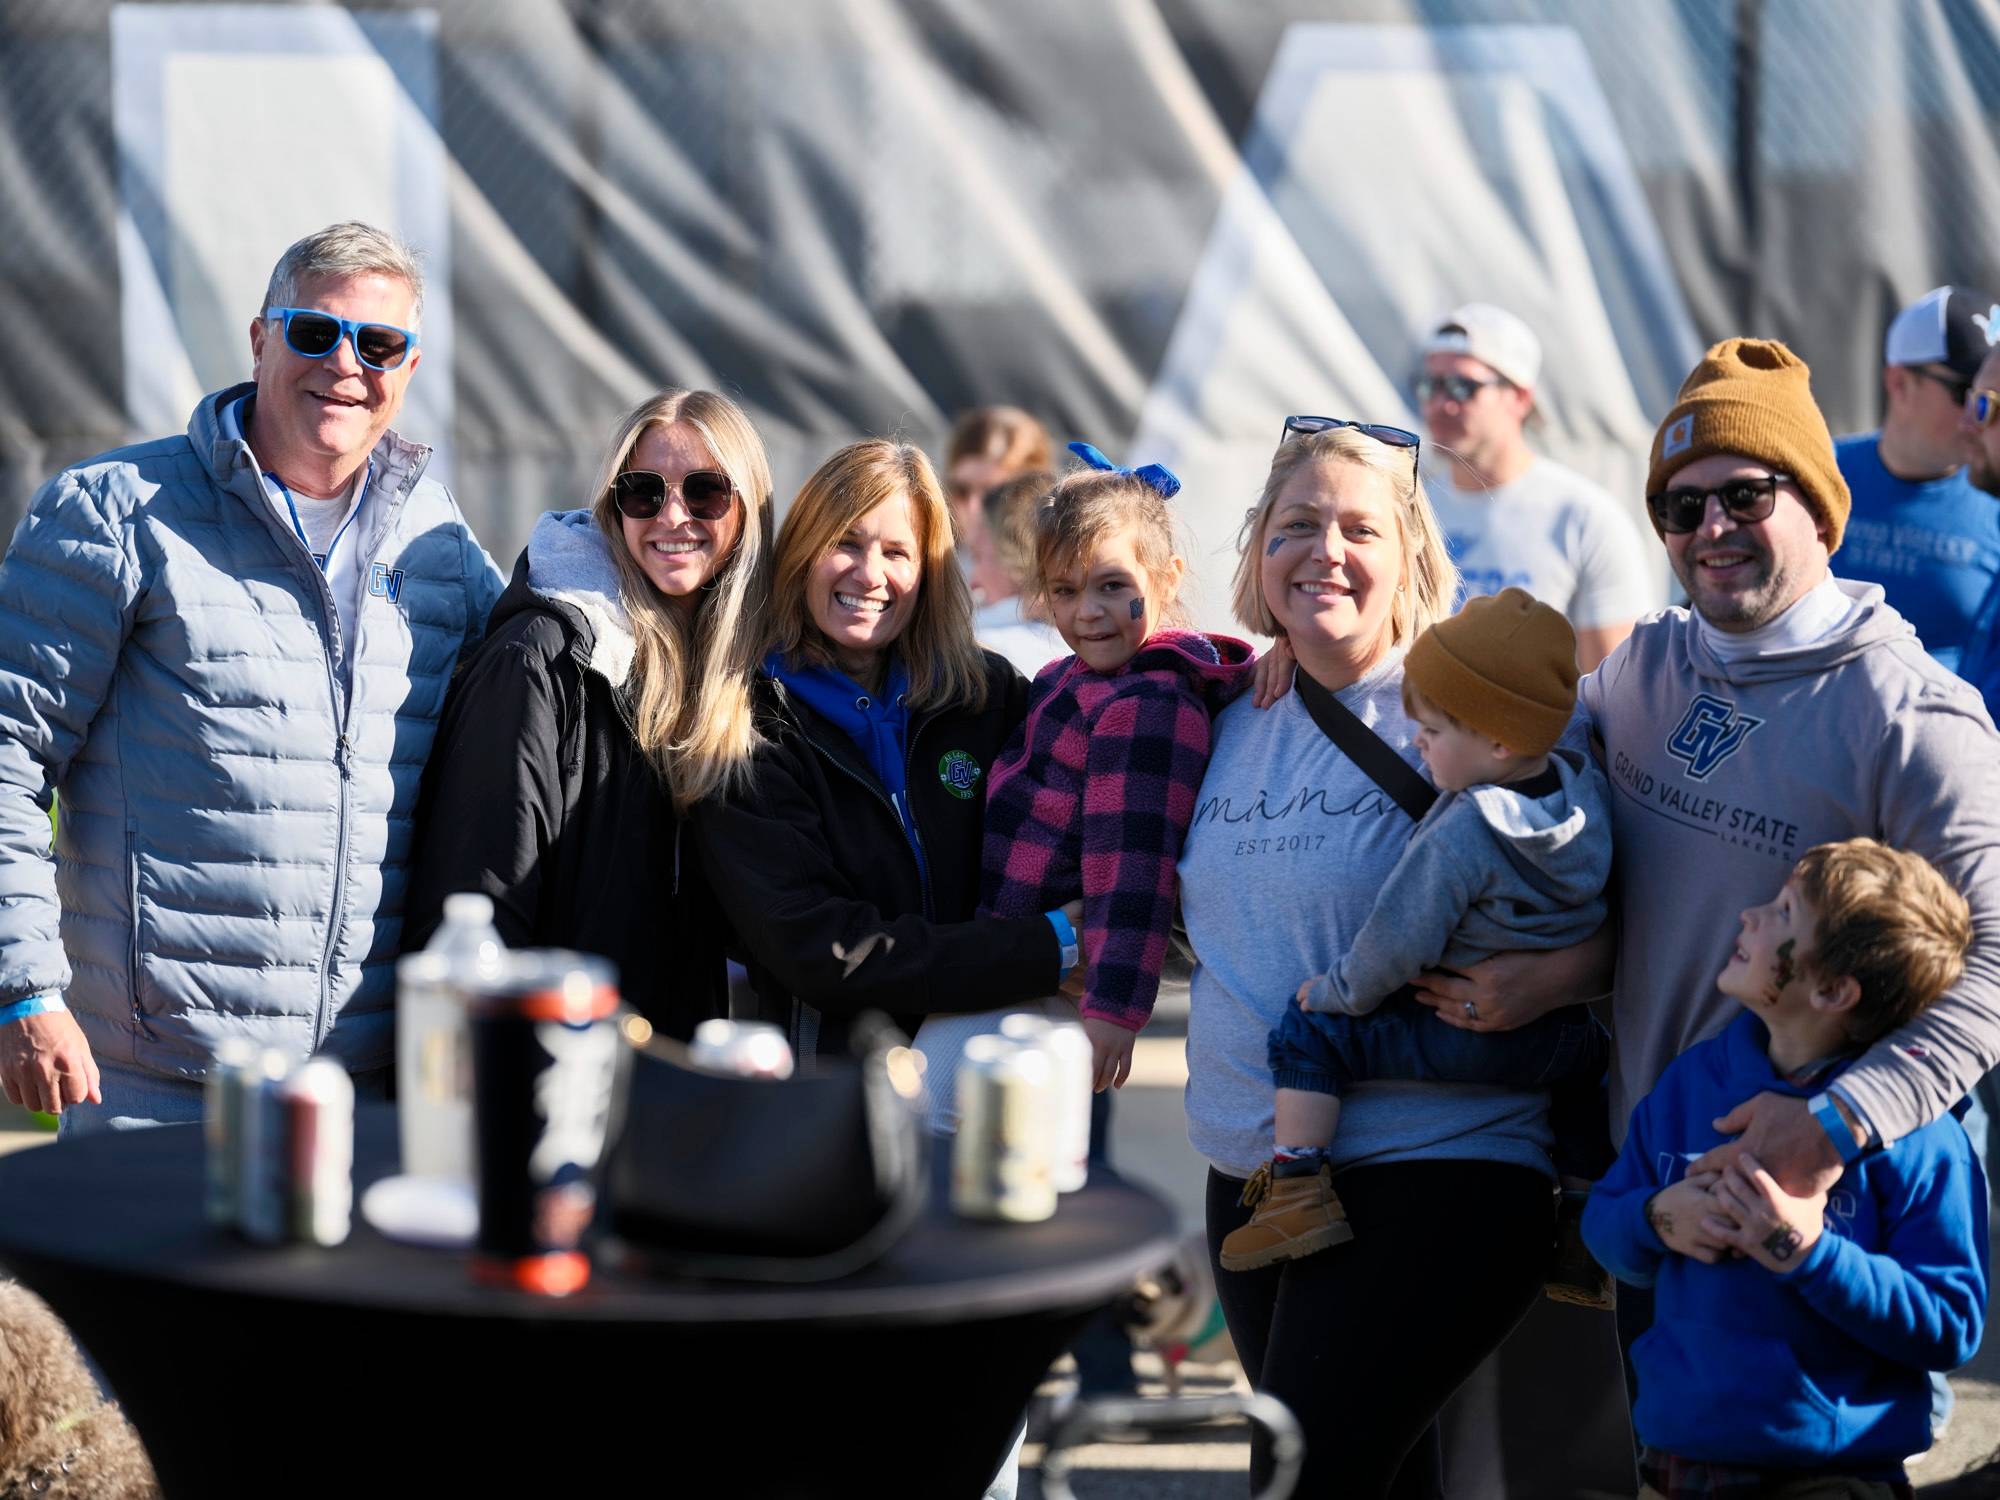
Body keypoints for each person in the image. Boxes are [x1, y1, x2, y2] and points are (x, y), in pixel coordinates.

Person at [0, 221, 503, 1131]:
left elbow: (543, 687)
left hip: (368, 1092)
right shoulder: (117, 511)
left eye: (380, 343)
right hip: (156, 1089)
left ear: (410, 367)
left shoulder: (438, 543)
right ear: (261, 339)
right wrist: (24, 990)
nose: (346, 365)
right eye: (315, 332)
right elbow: (7, 759)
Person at [1180, 416, 1584, 1497]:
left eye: (1360, 527)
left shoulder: (1479, 711)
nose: (1326, 550)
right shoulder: (1215, 708)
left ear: (1411, 552)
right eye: (1296, 523)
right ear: (1256, 544)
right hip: (1251, 1179)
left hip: (1434, 1162)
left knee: (1307, 1480)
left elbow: (1605, 887)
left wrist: (1558, 976)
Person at [1219, 587, 1610, 1274]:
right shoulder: (1582, 793)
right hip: (1557, 1040)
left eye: (1431, 732)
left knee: (1307, 1033)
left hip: (1459, 1032)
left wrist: (1339, 991)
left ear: (1497, 738)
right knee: (1590, 1070)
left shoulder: (1465, 828)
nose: (1420, 745)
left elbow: (1400, 939)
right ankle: (1581, 1222)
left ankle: (1298, 1192)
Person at [1584, 839, 1986, 1496]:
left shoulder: (1920, 1135)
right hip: (1674, 1460)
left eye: (1781, 913)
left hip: (1834, 1473)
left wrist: (1807, 1251)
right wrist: (1657, 1218)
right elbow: (1605, 1225)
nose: (1748, 916)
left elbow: (1949, 1323)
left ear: (1832, 989)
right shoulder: (1691, 1083)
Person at [403, 389, 773, 1039]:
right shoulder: (538, 661)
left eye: (706, 492)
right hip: (555, 1086)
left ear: (747, 510)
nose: (673, 515)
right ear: (613, 507)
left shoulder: (745, 678)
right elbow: (477, 918)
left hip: (676, 1081)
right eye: (643, 492)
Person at [693, 439, 1076, 1067]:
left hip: (1001, 1068)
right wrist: (1047, 948)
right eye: (845, 542)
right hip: (836, 1102)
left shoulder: (987, 694)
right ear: (800, 553)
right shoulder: (746, 725)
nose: (870, 575)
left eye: (897, 552)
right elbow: (821, 947)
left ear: (928, 571)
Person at [929, 441, 1253, 1103]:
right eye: (1066, 590)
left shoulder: (1148, 705)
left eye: (1113, 586)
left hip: (1059, 990)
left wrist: (1113, 1007)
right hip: (1017, 961)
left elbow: (1131, 864)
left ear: (1166, 580)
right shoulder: (1064, 678)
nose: (1087, 613)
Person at [1416, 303, 1650, 670]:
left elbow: (1613, 689)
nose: (1440, 404)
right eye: (1430, 385)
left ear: (1520, 399)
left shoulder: (1583, 516)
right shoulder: (1412, 506)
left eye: (1463, 387)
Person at [1833, 285, 2000, 671]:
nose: (1976, 417)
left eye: (1988, 401)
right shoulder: (1813, 473)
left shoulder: (1994, 496)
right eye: (1966, 392)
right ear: (1899, 383)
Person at [967, 469, 1067, 678]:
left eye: (978, 556)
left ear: (1014, 560)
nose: (972, 580)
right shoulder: (1095, 645)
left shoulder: (984, 650)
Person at [942, 405, 1053, 578]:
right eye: (962, 491)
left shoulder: (1057, 574)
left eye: (993, 495)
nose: (974, 508)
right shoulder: (936, 567)